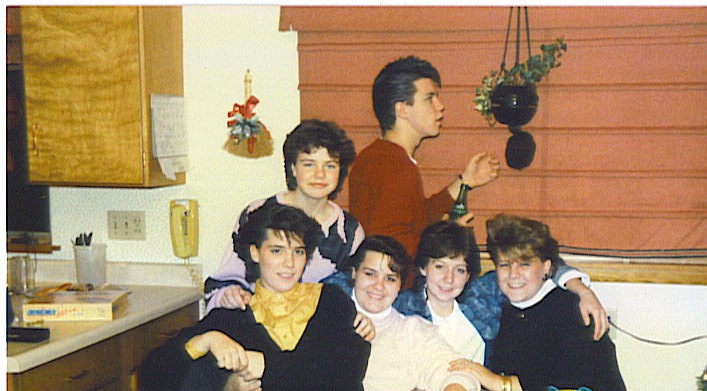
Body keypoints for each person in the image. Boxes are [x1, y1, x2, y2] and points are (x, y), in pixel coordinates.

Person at [143, 203, 371, 391]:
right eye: (277, 251)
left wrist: (263, 365)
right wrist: (206, 343)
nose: (289, 263)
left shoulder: (331, 301)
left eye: (298, 251)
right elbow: (153, 376)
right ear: (254, 253)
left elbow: (346, 368)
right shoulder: (233, 315)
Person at [450, 214, 629, 391]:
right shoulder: (497, 304)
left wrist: (495, 381)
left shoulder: (574, 312)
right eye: (505, 265)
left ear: (546, 267)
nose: (513, 274)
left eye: (525, 264)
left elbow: (563, 389)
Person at [349, 55, 500, 262]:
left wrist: (465, 181)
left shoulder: (378, 156)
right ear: (402, 109)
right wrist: (447, 238)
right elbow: (395, 250)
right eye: (429, 98)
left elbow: (416, 218)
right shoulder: (395, 167)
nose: (440, 106)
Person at [205, 119, 364, 313]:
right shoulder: (258, 213)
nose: (320, 174)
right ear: (293, 168)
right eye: (309, 164)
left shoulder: (349, 232)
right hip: (255, 322)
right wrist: (228, 294)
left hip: (317, 327)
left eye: (330, 166)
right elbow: (223, 282)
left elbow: (351, 297)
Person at [395, 221, 607, 366]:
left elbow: (538, 263)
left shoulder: (483, 296)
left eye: (459, 270)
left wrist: (581, 289)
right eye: (440, 267)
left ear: (468, 274)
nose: (448, 279)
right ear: (423, 267)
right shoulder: (401, 308)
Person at [325, 235, 480, 391]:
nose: (379, 286)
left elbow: (463, 378)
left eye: (390, 278)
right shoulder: (325, 315)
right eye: (370, 274)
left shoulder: (411, 331)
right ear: (354, 273)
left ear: (400, 285)